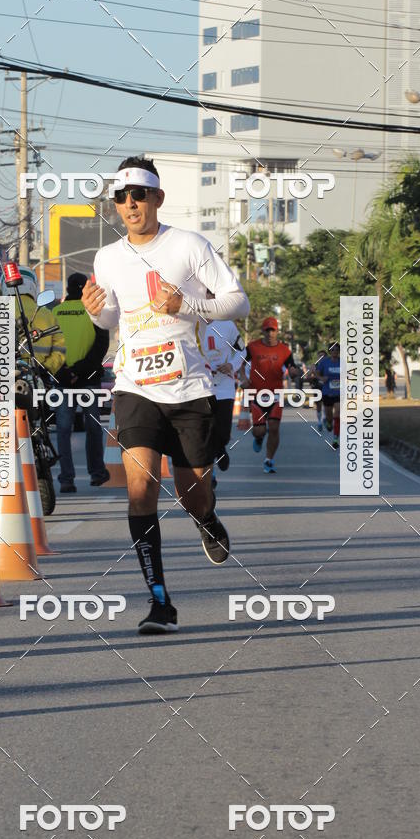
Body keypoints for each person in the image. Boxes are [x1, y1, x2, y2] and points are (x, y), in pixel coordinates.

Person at [81, 155, 249, 634]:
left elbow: (238, 302)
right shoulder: (107, 258)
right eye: (121, 197)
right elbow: (111, 319)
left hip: (190, 387)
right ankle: (159, 602)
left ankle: (206, 519)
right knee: (140, 488)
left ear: (157, 197)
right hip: (135, 386)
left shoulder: (189, 245)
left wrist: (187, 303)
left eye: (138, 195)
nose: (130, 204)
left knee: (193, 493)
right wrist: (94, 312)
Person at [52, 272, 110, 493]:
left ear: (67, 288)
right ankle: (97, 473)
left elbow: (48, 346)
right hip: (89, 380)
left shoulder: (56, 312)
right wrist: (81, 370)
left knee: (63, 430)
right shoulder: (95, 312)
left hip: (63, 380)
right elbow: (100, 346)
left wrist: (64, 372)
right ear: (86, 288)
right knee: (93, 427)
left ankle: (67, 479)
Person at [241, 317, 300, 474]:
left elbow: (292, 368)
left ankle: (269, 460)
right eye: (267, 330)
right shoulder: (252, 347)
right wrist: (243, 378)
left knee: (274, 427)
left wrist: (294, 372)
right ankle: (259, 438)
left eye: (272, 330)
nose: (270, 333)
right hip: (257, 394)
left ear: (277, 331)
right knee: (259, 431)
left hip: (276, 394)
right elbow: (239, 362)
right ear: (263, 331)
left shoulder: (284, 350)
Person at [0, 264, 66, 376]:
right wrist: (46, 369)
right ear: (32, 285)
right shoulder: (47, 314)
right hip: (37, 377)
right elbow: (60, 348)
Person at [203, 317, 246, 484]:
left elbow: (242, 351)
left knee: (222, 432)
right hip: (200, 387)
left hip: (224, 387)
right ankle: (210, 475)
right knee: (205, 433)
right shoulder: (190, 323)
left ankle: (220, 447)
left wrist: (231, 365)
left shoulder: (227, 325)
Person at [316, 342, 341, 448]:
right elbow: (317, 373)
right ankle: (329, 423)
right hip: (327, 392)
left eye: (337, 349)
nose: (335, 351)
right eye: (332, 350)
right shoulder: (324, 362)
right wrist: (322, 378)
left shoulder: (343, 362)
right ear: (329, 351)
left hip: (339, 393)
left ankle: (335, 439)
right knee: (330, 417)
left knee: (337, 415)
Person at [307, 349, 327, 431]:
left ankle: (325, 417)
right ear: (318, 357)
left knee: (326, 403)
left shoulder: (328, 365)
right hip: (317, 386)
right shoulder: (314, 365)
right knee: (318, 405)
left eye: (323, 356)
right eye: (320, 356)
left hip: (326, 387)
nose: (321, 357)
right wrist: (313, 376)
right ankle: (319, 421)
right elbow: (308, 376)